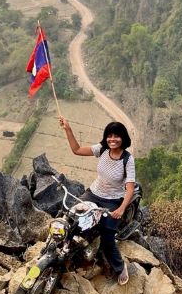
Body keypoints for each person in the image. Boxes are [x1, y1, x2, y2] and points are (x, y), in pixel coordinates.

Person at [58, 115, 135, 285]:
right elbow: (77, 150)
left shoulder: (127, 159)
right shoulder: (101, 149)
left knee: (107, 238)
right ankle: (60, 250)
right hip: (93, 193)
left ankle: (119, 267)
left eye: (116, 136)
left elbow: (130, 187)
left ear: (123, 138)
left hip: (112, 200)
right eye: (109, 135)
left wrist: (121, 208)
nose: (112, 139)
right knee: (71, 218)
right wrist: (68, 129)